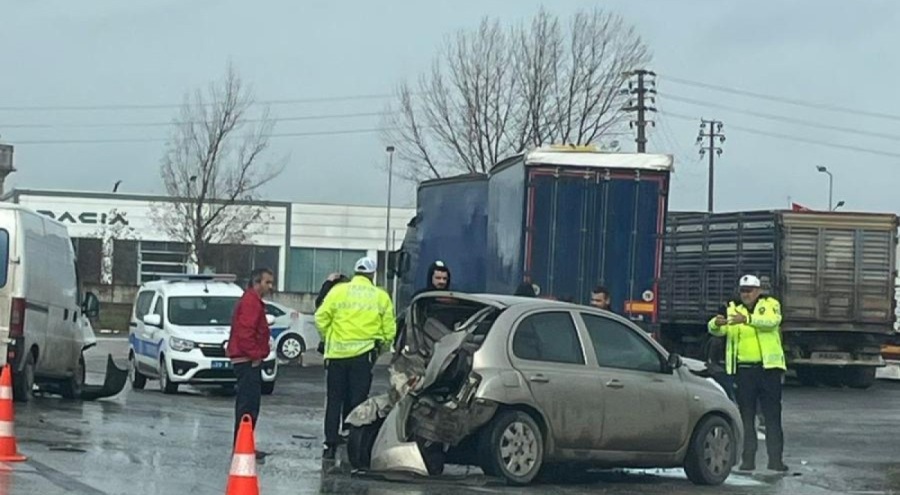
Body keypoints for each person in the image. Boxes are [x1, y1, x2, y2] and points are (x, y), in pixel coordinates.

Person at [315, 257, 397, 461]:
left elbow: (320, 317)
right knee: (357, 401)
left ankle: (330, 443)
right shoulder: (381, 296)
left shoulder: (338, 291)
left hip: (337, 356)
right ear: (372, 274)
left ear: (355, 272)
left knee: (334, 400)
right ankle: (353, 440)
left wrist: (328, 338)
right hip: (363, 355)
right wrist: (381, 348)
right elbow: (389, 330)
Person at [708, 274, 788, 473]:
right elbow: (718, 331)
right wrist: (716, 324)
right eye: (743, 291)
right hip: (743, 370)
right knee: (746, 417)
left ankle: (775, 461)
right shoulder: (733, 309)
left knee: (772, 416)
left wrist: (748, 319)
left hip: (769, 369)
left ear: (758, 291)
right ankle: (748, 460)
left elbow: (772, 322)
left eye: (750, 290)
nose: (746, 294)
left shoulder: (770, 304)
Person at [227, 267, 275, 454]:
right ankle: (242, 446)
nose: (270, 286)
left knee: (249, 403)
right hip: (247, 360)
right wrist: (255, 355)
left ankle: (244, 444)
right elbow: (246, 333)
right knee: (248, 404)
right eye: (267, 282)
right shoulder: (251, 303)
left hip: (246, 357)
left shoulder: (253, 302)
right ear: (257, 282)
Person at [315, 273, 349, 355]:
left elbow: (319, 303)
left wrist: (328, 282)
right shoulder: (351, 298)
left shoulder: (331, 299)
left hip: (334, 345)